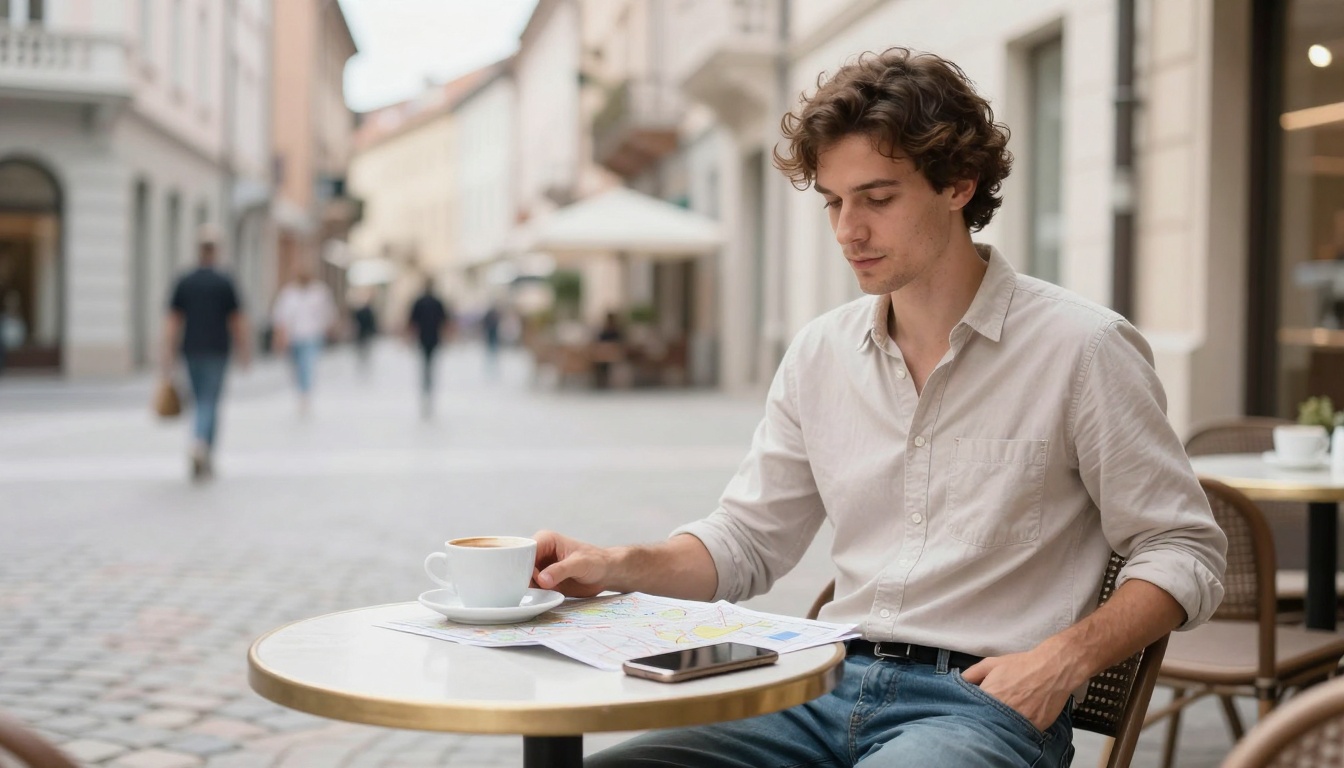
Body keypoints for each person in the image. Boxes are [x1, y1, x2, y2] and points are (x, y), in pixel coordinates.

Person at [532, 47, 1227, 768]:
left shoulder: (1083, 348)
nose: (847, 231)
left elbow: (1185, 549)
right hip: (814, 686)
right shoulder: (819, 354)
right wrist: (612, 563)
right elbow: (745, 541)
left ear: (959, 184)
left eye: (877, 198)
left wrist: (1061, 660)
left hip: (979, 708)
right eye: (834, 201)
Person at [162, 226, 250, 480]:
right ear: (216, 250)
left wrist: (167, 352)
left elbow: (173, 320)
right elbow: (237, 319)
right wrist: (244, 350)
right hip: (218, 349)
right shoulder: (224, 281)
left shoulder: (185, 280)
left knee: (200, 398)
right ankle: (202, 445)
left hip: (191, 348)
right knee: (209, 400)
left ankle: (202, 448)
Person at [272, 263, 336, 415]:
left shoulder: (320, 292)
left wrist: (328, 329)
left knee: (307, 364)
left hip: (312, 336)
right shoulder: (288, 293)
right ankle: (301, 389)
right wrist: (280, 337)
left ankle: (304, 395)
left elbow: (328, 314)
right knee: (296, 367)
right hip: (293, 337)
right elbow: (280, 316)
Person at [406, 278, 453, 419]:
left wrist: (409, 337)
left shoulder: (419, 302)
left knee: (425, 364)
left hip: (423, 338)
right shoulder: (438, 302)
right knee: (430, 364)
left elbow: (411, 321)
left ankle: (426, 386)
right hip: (434, 338)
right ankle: (428, 386)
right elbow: (445, 321)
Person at [351, 295, 378, 373]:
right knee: (364, 348)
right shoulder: (366, 312)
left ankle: (363, 361)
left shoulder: (364, 312)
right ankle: (363, 361)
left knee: (364, 348)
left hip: (363, 333)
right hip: (364, 333)